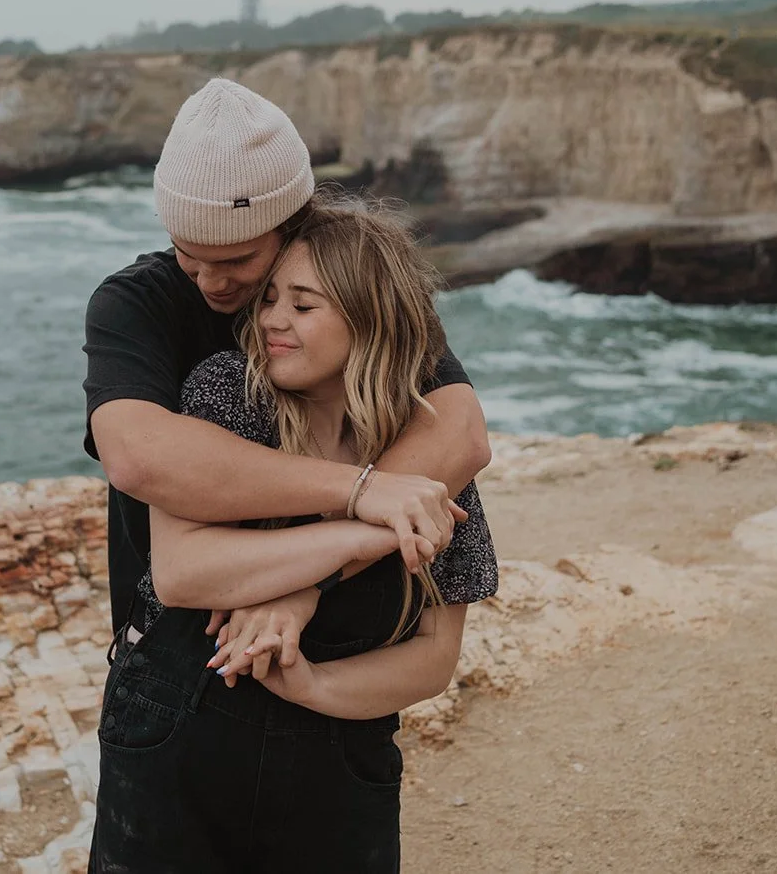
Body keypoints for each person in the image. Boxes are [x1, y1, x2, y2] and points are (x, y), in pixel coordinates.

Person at [88, 197, 498, 872]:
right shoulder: (227, 395)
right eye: (271, 297)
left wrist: (309, 682)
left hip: (345, 756)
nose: (271, 318)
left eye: (302, 305)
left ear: (370, 319)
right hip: (178, 735)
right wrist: (358, 535)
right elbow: (184, 570)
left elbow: (435, 653)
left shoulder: (429, 447)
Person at [82, 78, 491, 638]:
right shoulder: (135, 301)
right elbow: (138, 457)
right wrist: (362, 491)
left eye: (240, 259)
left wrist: (305, 585)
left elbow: (459, 434)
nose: (211, 282)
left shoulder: (354, 283)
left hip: (341, 642)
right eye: (189, 254)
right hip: (172, 653)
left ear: (292, 224)